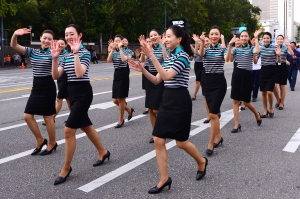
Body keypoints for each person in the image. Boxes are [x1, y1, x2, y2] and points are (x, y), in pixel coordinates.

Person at [129, 25, 208, 194]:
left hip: (180, 101)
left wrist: (151, 55)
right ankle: (164, 179)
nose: (165, 39)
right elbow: (157, 80)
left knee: (181, 143)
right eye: (164, 36)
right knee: (158, 139)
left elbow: (166, 76)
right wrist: (143, 69)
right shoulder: (170, 57)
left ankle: (201, 161)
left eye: (168, 36)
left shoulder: (183, 56)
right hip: (166, 99)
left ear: (179, 39)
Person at [51, 24, 110, 185]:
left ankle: (66, 168)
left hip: (83, 93)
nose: (69, 37)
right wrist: (55, 58)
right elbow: (56, 75)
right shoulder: (66, 55)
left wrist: (76, 52)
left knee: (69, 130)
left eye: (72, 34)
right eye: (66, 34)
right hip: (72, 93)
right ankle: (103, 152)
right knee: (85, 126)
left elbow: (79, 73)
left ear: (80, 35)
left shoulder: (84, 53)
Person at [10, 28, 57, 156]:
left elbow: (55, 75)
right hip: (36, 86)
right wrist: (15, 34)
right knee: (27, 116)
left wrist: (54, 57)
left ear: (52, 41)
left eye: (49, 39)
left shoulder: (54, 52)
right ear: (40, 38)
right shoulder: (33, 51)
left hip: (48, 86)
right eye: (45, 38)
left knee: (48, 117)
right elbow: (13, 45)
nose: (47, 40)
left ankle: (52, 143)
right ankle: (40, 139)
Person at [199, 26, 229, 155]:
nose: (214, 36)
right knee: (213, 113)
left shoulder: (223, 49)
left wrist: (228, 45)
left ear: (219, 35)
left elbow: (227, 59)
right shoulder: (205, 48)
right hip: (207, 81)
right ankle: (219, 137)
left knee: (213, 114)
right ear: (209, 36)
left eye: (216, 34)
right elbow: (200, 54)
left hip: (219, 83)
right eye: (212, 34)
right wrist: (200, 42)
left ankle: (210, 143)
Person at [227, 29, 262, 133]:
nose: (243, 38)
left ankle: (256, 114)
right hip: (237, 75)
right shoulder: (236, 49)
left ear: (248, 38)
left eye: (245, 36)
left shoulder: (251, 49)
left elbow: (257, 51)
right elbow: (228, 59)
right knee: (235, 100)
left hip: (247, 76)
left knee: (246, 102)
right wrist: (230, 45)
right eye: (242, 36)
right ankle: (236, 124)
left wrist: (256, 38)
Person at [138, 30, 168, 143]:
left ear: (159, 36)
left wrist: (164, 46)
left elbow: (166, 59)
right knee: (150, 109)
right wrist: (143, 49)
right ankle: (156, 132)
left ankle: (164, 127)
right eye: (151, 36)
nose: (153, 37)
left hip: (160, 78)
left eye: (155, 35)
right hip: (150, 78)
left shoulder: (164, 46)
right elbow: (142, 61)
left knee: (157, 109)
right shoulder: (148, 47)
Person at [107, 35, 134, 128]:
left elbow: (123, 59)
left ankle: (121, 120)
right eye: (115, 41)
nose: (117, 42)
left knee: (121, 99)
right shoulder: (113, 51)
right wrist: (112, 50)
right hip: (116, 74)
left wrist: (121, 48)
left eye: (119, 41)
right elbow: (109, 60)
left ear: (122, 42)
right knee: (115, 100)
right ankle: (129, 110)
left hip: (124, 75)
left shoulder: (129, 51)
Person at [258, 32, 281, 118]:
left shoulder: (275, 47)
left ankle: (271, 108)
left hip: (272, 70)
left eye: (267, 38)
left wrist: (278, 55)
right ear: (262, 39)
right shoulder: (260, 48)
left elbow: (279, 61)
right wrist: (254, 54)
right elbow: (256, 61)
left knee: (269, 92)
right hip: (263, 70)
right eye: (264, 38)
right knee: (263, 92)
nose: (266, 40)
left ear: (270, 39)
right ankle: (265, 110)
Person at [273, 35, 294, 109]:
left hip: (283, 67)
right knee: (273, 86)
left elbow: (292, 54)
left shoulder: (285, 48)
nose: (279, 40)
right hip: (275, 67)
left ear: (283, 40)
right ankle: (278, 99)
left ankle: (282, 102)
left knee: (282, 86)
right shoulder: (274, 48)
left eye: (281, 39)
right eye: (278, 39)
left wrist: (288, 45)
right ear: (276, 40)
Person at [191, 34, 204, 100]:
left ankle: (194, 95)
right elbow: (194, 52)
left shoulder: (203, 49)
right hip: (196, 65)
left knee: (198, 81)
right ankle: (205, 92)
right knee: (201, 81)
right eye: (197, 41)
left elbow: (197, 53)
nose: (198, 42)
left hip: (202, 65)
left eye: (199, 41)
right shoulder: (197, 48)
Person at [137, 46, 149, 115]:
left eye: (149, 41)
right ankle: (147, 107)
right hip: (145, 69)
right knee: (146, 89)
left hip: (154, 69)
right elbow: (142, 60)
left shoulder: (153, 49)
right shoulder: (144, 50)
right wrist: (139, 56)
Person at [251, 36, 261, 102]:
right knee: (250, 83)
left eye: (255, 40)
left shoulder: (259, 48)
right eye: (253, 40)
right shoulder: (249, 48)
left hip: (258, 68)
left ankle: (254, 96)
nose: (254, 41)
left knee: (256, 83)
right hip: (250, 68)